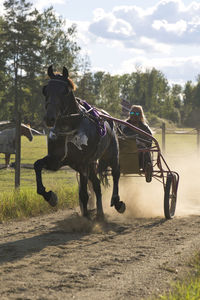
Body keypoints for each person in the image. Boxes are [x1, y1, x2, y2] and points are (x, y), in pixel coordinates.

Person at [122, 105, 153, 182]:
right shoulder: (123, 125)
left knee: (146, 151)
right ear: (129, 114)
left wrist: (140, 142)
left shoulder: (145, 128)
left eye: (136, 114)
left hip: (140, 152)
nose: (134, 115)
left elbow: (149, 141)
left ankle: (147, 168)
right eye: (132, 113)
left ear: (140, 115)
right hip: (126, 150)